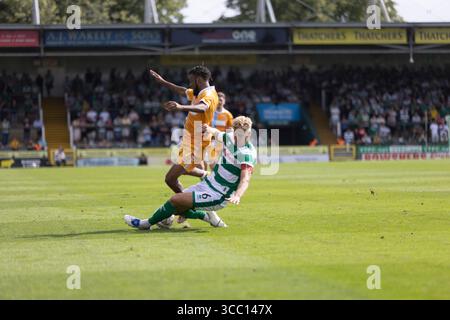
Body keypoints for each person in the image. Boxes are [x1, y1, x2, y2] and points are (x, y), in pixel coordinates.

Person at [124, 116, 257, 231]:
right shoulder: (229, 137)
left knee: (175, 200)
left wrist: (238, 196)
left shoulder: (246, 155)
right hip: (208, 183)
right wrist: (207, 128)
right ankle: (205, 216)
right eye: (236, 134)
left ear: (248, 134)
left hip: (219, 194)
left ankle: (145, 224)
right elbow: (216, 132)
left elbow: (245, 179)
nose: (237, 138)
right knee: (175, 207)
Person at [149, 66, 219, 193]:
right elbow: (183, 91)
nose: (190, 84)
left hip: (196, 141)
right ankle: (205, 179)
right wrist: (163, 82)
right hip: (190, 138)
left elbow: (203, 107)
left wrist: (181, 107)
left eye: (191, 80)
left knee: (170, 178)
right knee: (181, 172)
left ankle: (188, 204)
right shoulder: (200, 92)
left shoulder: (208, 95)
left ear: (198, 80)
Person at [206, 91, 233, 170]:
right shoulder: (210, 112)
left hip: (222, 142)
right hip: (210, 141)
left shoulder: (228, 115)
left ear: (224, 101)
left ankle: (216, 177)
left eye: (221, 100)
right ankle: (212, 176)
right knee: (210, 161)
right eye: (218, 100)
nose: (219, 102)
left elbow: (230, 129)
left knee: (220, 162)